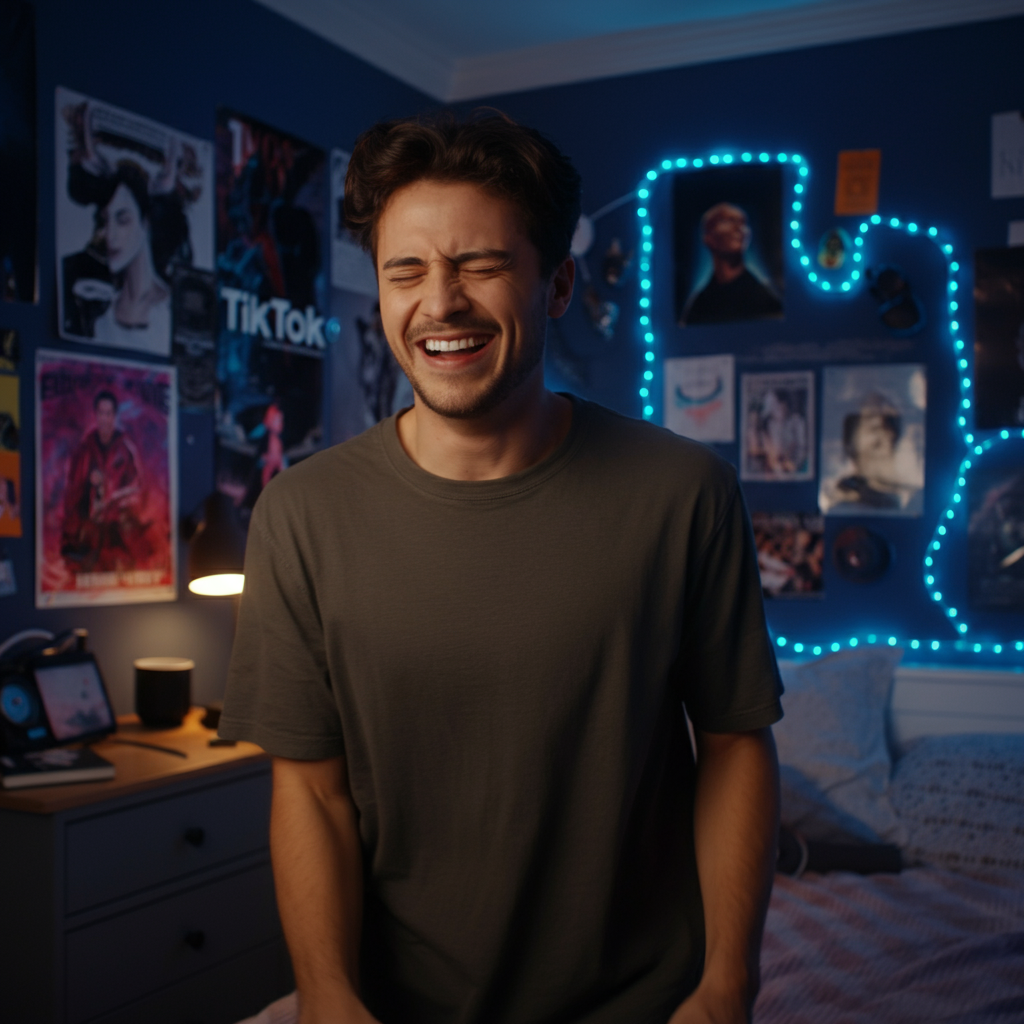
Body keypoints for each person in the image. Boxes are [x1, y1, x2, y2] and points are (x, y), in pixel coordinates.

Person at [220, 112, 783, 1024]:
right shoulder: (300, 513)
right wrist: (324, 992)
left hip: (645, 1000)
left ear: (557, 283)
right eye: (406, 270)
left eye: (480, 264)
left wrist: (728, 986)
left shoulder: (685, 494)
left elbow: (732, 746)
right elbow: (312, 793)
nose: (440, 303)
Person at [60, 389, 146, 572]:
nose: (104, 419)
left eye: (108, 413)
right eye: (101, 413)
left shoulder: (126, 449)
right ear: (95, 415)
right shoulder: (84, 451)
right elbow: (72, 495)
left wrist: (113, 500)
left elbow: (138, 487)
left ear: (114, 416)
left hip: (118, 527)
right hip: (91, 531)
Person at [683, 203, 782, 325]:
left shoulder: (764, 299)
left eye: (742, 223)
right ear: (708, 238)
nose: (739, 228)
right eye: (727, 221)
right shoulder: (699, 305)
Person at [832, 392, 923, 511]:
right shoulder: (853, 510)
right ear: (858, 467)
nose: (889, 436)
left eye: (892, 422)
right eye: (877, 445)